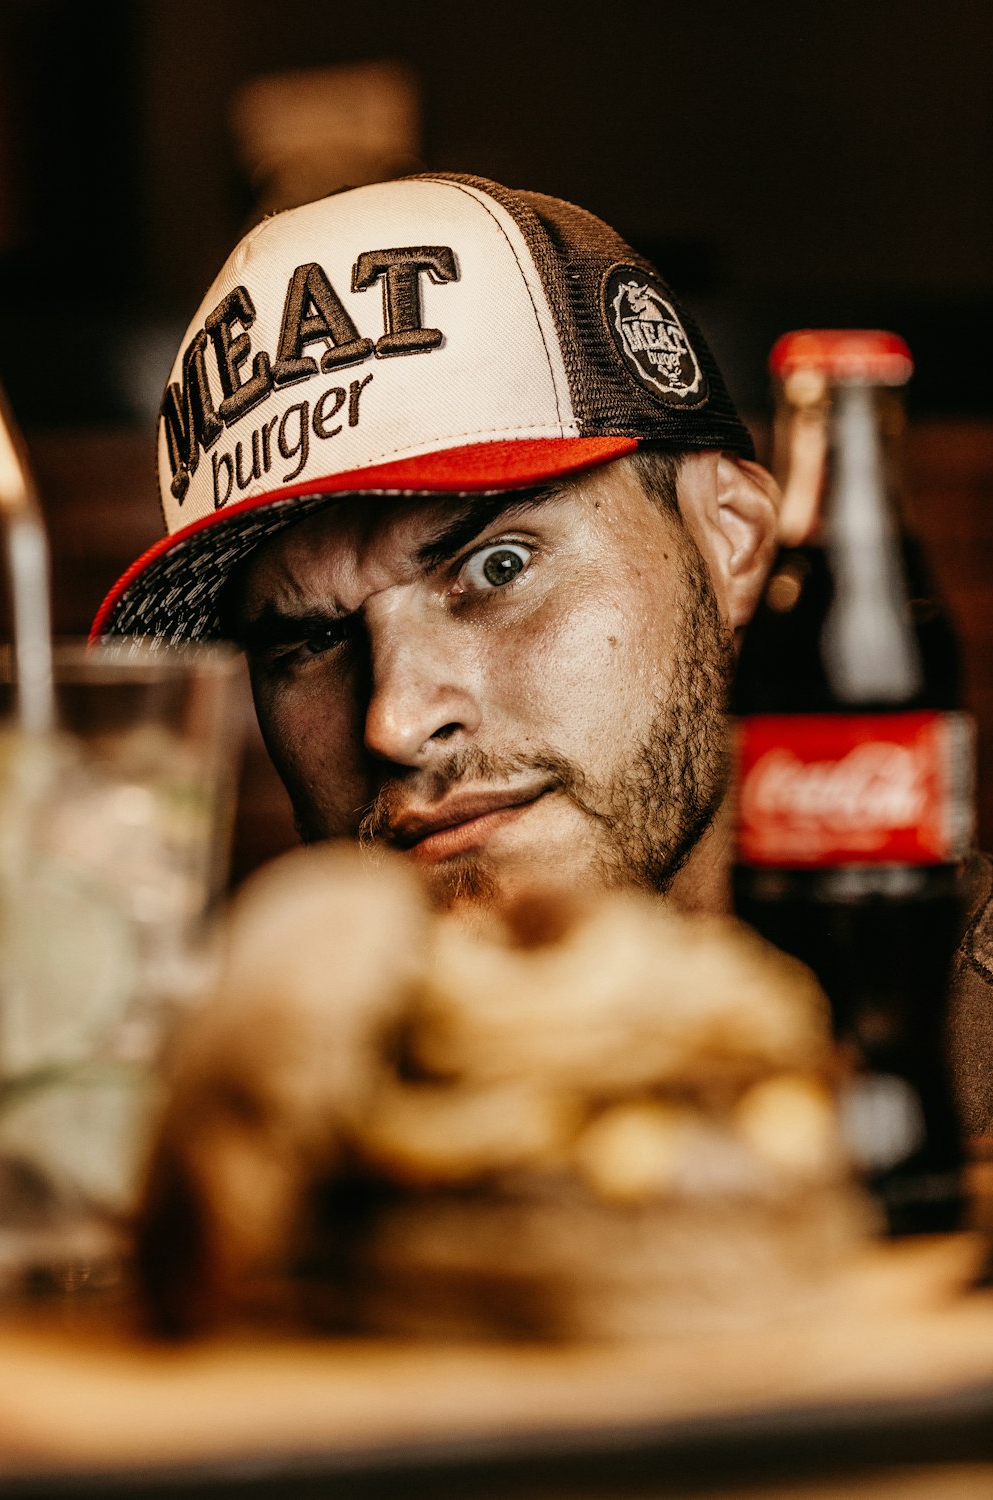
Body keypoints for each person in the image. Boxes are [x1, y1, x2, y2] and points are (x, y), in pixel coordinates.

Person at [93, 173, 993, 1132]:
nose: (394, 720)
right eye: (308, 639)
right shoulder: (259, 1145)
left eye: (498, 564)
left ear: (732, 540)